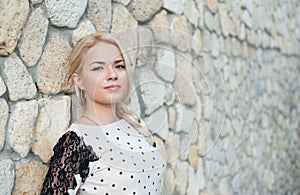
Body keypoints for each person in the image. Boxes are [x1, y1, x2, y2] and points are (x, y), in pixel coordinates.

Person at [41, 32, 167, 195]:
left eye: (119, 66)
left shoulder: (133, 126)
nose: (112, 75)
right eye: (98, 68)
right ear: (79, 80)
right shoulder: (77, 141)